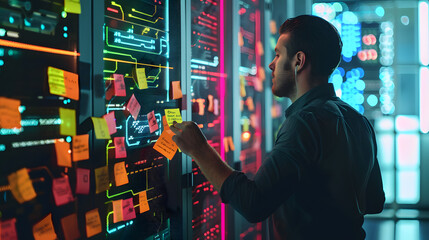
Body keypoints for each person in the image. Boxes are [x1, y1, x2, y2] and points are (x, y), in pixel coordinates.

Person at [170, 15, 385, 239]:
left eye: (278, 54)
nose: (271, 64)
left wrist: (199, 149)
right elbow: (374, 201)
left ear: (298, 61)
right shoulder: (358, 121)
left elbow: (253, 204)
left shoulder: (304, 123)